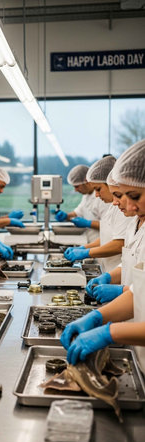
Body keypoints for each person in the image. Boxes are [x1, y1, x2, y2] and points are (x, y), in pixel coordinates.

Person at [60, 139, 145, 369]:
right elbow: (140, 290)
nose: (126, 204)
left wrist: (109, 332)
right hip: (137, 344)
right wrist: (98, 317)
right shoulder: (137, 223)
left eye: (134, 196)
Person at [63, 155, 134, 272]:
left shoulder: (125, 211)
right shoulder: (113, 207)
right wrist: (84, 248)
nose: (96, 195)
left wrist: (87, 252)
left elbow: (119, 244)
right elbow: (106, 238)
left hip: (117, 270)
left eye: (98, 189)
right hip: (110, 268)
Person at [85, 169, 139, 303]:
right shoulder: (134, 223)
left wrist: (87, 252)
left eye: (119, 195)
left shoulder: (127, 216)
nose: (115, 202)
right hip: (129, 304)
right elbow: (130, 261)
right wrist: (109, 277)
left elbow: (119, 243)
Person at [55, 164, 106, 241]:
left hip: (103, 244)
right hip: (92, 243)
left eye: (77, 186)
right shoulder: (86, 195)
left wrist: (87, 223)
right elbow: (78, 212)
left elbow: (108, 227)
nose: (75, 190)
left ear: (86, 181)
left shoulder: (103, 198)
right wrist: (66, 216)